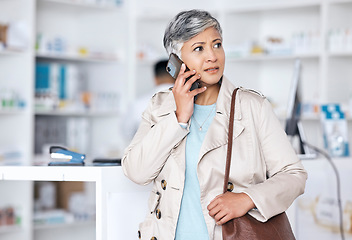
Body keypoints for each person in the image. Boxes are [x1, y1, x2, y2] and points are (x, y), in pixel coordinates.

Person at [122, 9, 307, 240]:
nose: (212, 56)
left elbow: (293, 174)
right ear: (177, 61)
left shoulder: (252, 106)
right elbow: (136, 172)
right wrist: (178, 117)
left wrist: (248, 199)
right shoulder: (159, 107)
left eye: (217, 44)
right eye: (199, 48)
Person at [121, 60, 175, 142]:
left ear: (155, 79)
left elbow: (127, 133)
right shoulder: (191, 101)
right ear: (177, 76)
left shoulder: (138, 104)